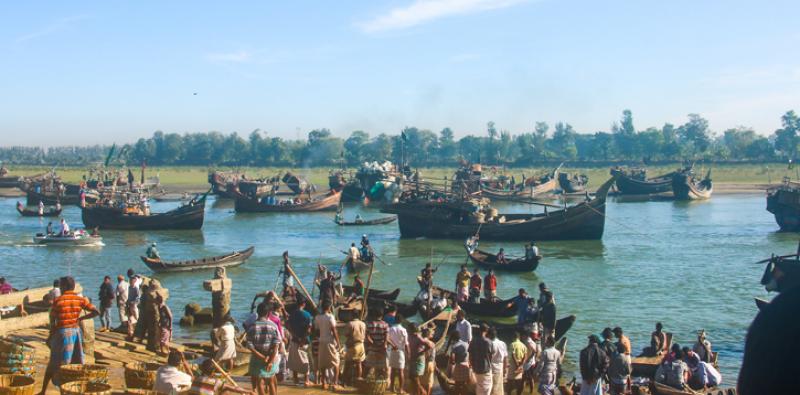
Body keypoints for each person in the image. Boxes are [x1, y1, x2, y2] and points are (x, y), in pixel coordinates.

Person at [39, 276, 101, 394]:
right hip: (75, 333)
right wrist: (81, 318)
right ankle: (74, 390)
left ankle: (44, 391)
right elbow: (96, 312)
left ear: (64, 287)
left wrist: (50, 337)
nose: (60, 288)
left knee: (54, 363)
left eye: (61, 286)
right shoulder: (80, 299)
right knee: (75, 364)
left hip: (62, 334)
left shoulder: (58, 300)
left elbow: (53, 321)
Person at [247, 302, 281, 395]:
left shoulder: (252, 326)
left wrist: (262, 357)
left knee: (260, 382)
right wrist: (270, 361)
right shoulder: (273, 326)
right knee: (271, 382)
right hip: (271, 356)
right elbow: (276, 345)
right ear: (268, 313)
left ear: (257, 312)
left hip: (257, 358)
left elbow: (250, 346)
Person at [315, 300, 340, 391]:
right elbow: (334, 330)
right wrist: (338, 343)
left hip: (321, 341)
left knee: (323, 363)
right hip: (330, 342)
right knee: (336, 362)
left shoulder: (317, 317)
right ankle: (335, 382)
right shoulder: (330, 317)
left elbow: (317, 331)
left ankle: (323, 383)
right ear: (329, 308)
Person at [287, 298, 313, 387]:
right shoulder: (307, 315)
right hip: (304, 341)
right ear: (303, 304)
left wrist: (295, 336)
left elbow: (288, 327)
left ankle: (295, 378)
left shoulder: (292, 314)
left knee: (294, 359)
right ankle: (306, 380)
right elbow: (309, 330)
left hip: (294, 339)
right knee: (305, 360)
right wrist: (302, 339)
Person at [408, 323, 435, 395]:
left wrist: (422, 352)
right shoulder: (410, 336)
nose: (408, 331)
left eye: (409, 329)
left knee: (415, 378)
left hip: (418, 359)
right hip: (413, 358)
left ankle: (423, 392)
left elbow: (429, 346)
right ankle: (419, 392)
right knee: (412, 377)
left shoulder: (418, 337)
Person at [470, 324, 495, 395]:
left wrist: (472, 365)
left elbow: (470, 355)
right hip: (486, 369)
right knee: (487, 387)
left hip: (476, 369)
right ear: (486, 331)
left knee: (479, 386)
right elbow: (491, 356)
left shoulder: (473, 341)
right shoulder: (489, 342)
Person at [365, 307, 389, 379]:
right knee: (380, 368)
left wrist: (373, 344)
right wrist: (383, 345)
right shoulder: (385, 325)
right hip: (381, 350)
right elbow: (386, 337)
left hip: (372, 349)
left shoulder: (369, 324)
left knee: (368, 367)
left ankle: (366, 382)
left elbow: (368, 337)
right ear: (382, 315)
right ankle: (379, 384)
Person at [387, 316, 409, 393]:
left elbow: (387, 339)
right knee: (400, 371)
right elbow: (406, 344)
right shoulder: (403, 330)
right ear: (401, 321)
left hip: (392, 351)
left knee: (393, 370)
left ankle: (392, 388)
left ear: (395, 320)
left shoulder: (390, 329)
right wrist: (408, 353)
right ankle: (401, 389)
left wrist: (393, 345)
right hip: (401, 352)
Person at [345, 313, 367, 382]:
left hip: (353, 345)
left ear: (352, 315)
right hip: (361, 345)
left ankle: (344, 380)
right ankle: (358, 379)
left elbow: (346, 334)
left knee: (347, 363)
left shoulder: (350, 323)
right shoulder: (363, 324)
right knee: (359, 363)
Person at [448, 330, 470, 395]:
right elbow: (469, 354)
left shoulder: (454, 346)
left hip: (459, 365)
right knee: (465, 383)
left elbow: (452, 358)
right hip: (466, 364)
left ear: (453, 338)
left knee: (457, 384)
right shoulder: (466, 344)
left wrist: (452, 363)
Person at [506, 331, 526, 395]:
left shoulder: (512, 344)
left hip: (513, 365)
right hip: (520, 365)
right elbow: (525, 356)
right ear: (519, 337)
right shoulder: (523, 345)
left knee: (509, 381)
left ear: (513, 337)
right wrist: (521, 364)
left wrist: (516, 365)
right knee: (519, 382)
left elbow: (513, 354)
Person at [488, 327, 507, 395]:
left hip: (490, 367)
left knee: (491, 387)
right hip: (500, 367)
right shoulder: (502, 343)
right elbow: (505, 358)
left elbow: (488, 357)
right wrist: (505, 369)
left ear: (489, 335)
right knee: (498, 386)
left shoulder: (489, 344)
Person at [126, 271, 142, 341]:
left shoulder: (136, 288)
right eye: (130, 281)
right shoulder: (129, 287)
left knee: (137, 318)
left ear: (134, 281)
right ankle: (130, 334)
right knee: (129, 319)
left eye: (131, 281)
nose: (130, 282)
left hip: (134, 305)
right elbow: (129, 296)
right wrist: (127, 301)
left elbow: (138, 297)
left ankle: (138, 334)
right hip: (129, 305)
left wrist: (134, 302)